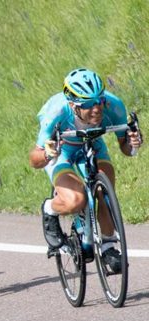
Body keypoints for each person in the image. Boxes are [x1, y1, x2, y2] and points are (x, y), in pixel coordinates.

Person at [29, 68, 143, 273]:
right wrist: (47, 153)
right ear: (73, 105)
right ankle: (49, 209)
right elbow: (34, 160)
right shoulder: (56, 113)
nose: (97, 108)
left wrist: (133, 144)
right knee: (76, 200)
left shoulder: (113, 105)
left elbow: (126, 149)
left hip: (92, 145)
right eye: (88, 104)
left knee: (105, 193)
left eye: (99, 100)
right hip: (62, 151)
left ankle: (109, 246)